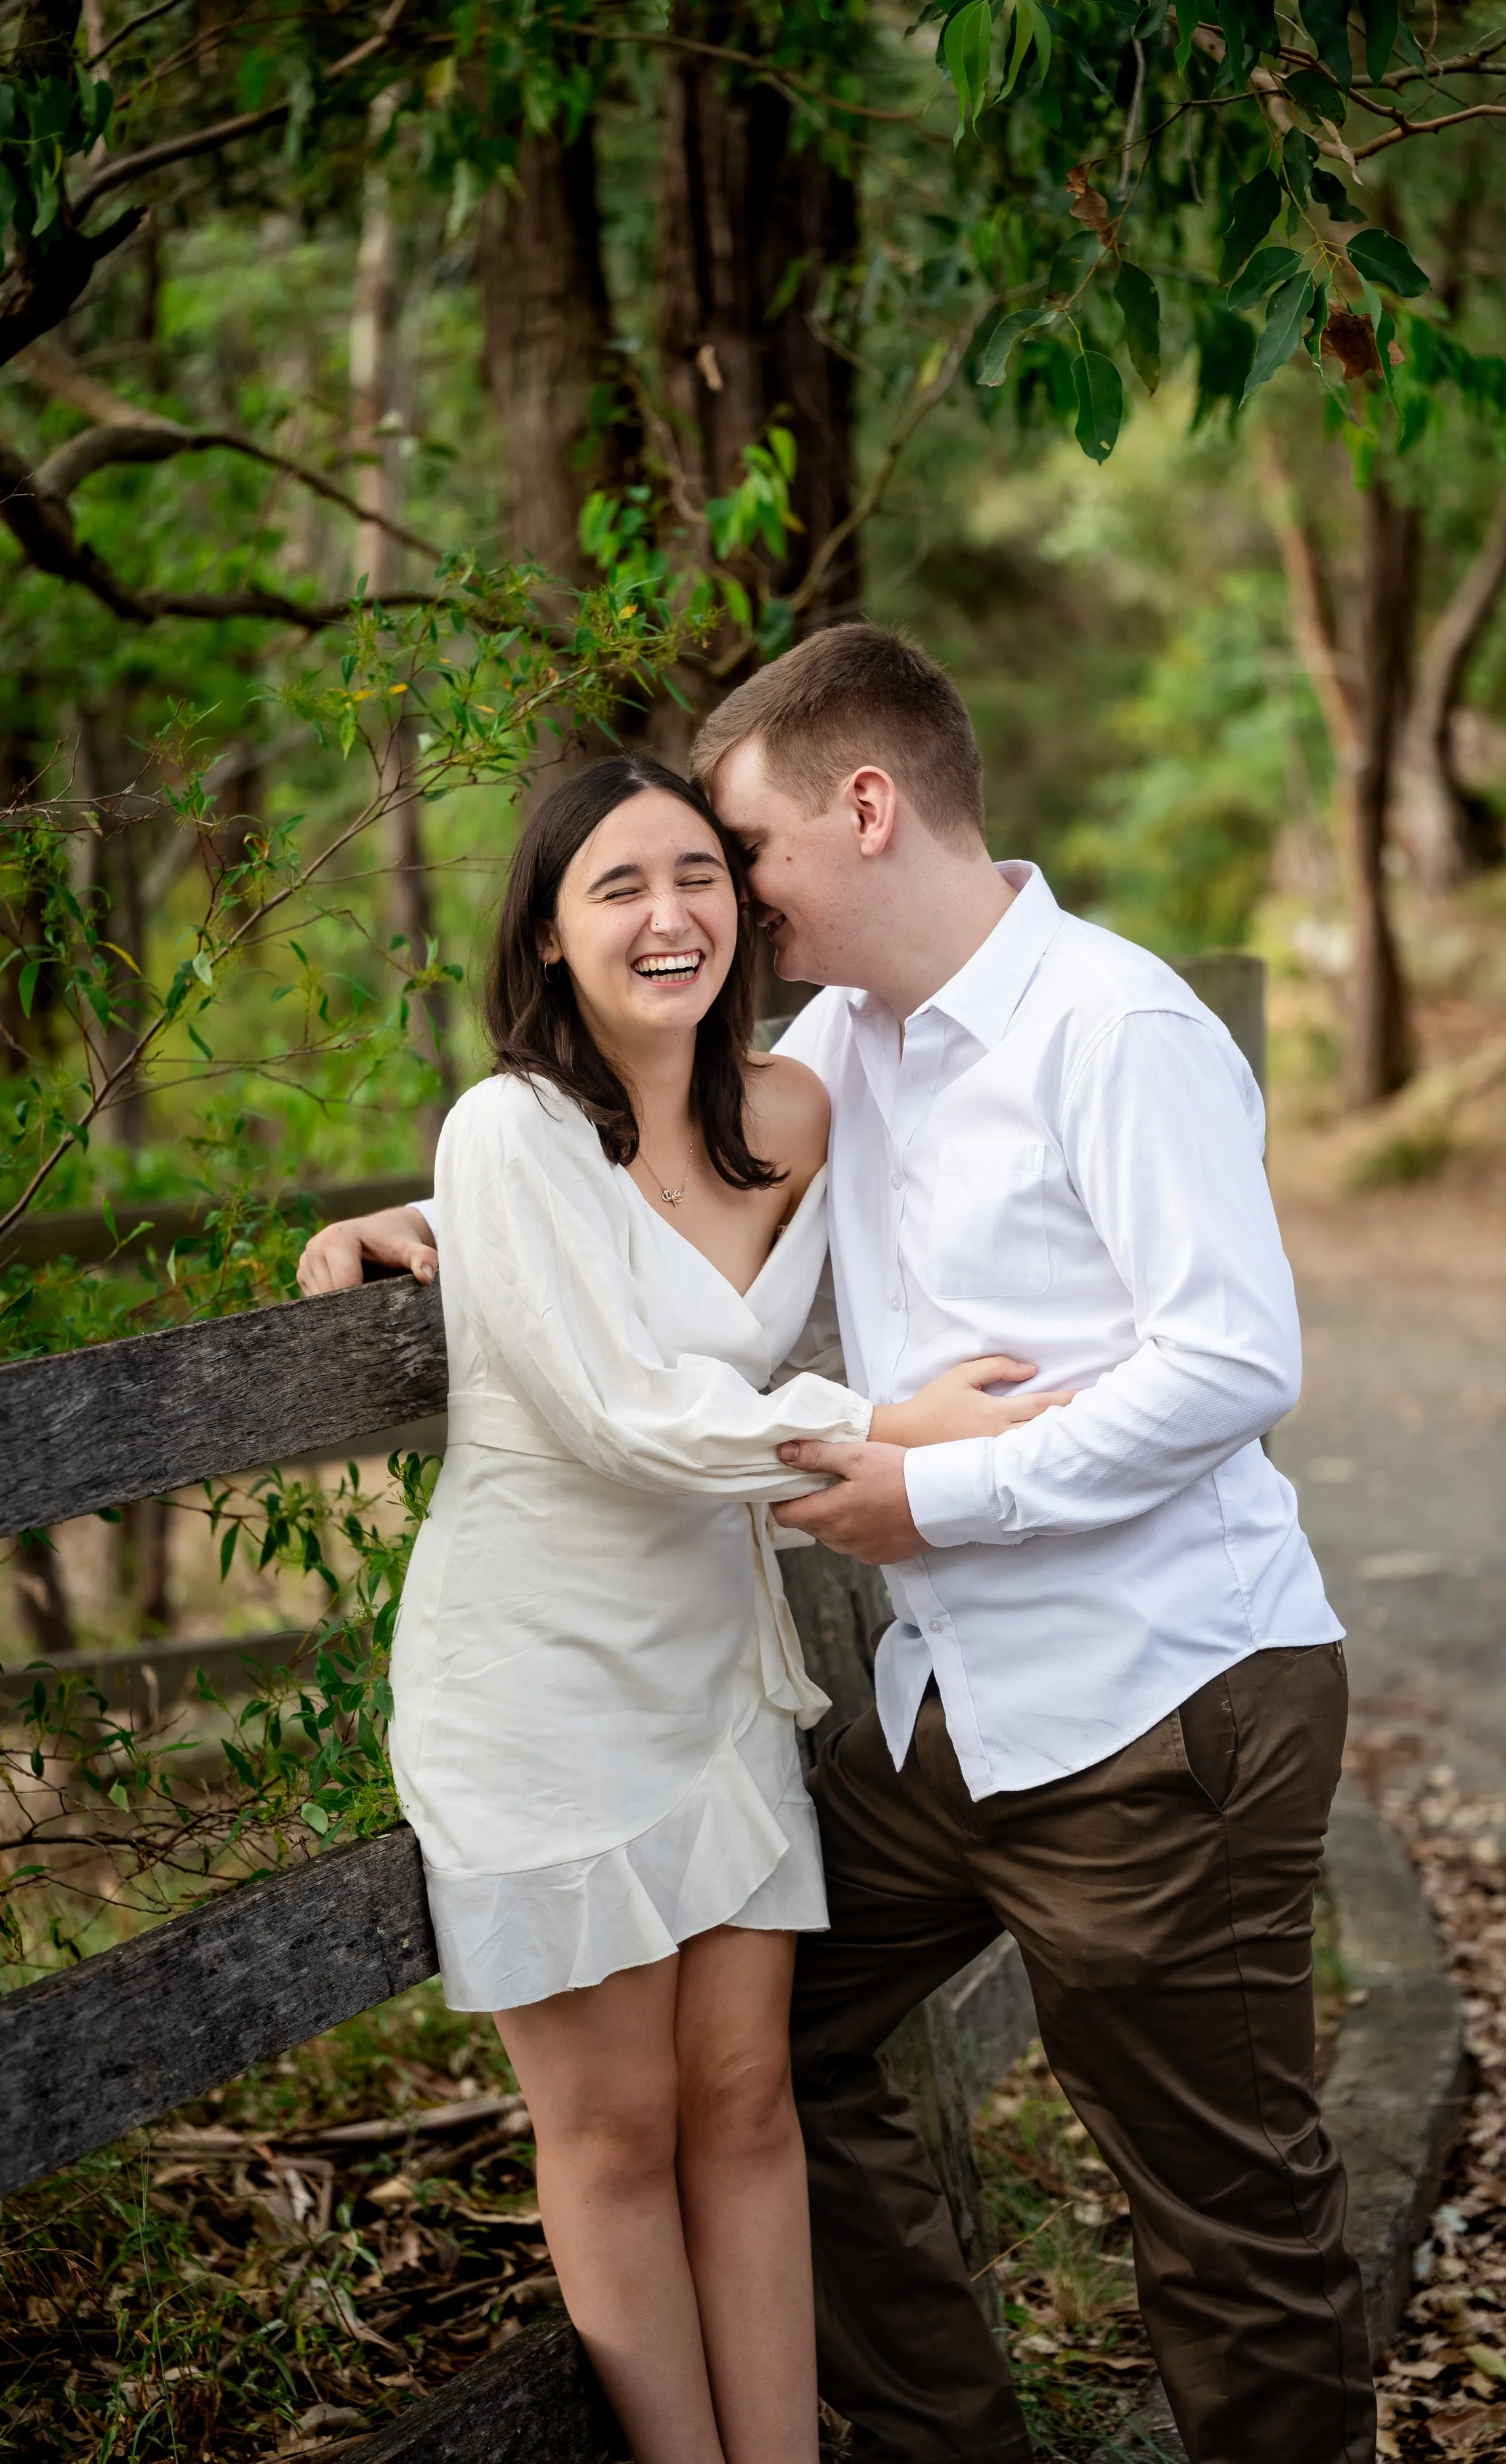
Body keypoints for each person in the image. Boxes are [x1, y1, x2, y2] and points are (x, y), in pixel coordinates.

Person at [302, 629, 1375, 2464]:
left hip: (1154, 1708)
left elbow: (1229, 1361)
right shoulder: (847, 1045)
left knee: (1220, 2213)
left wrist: (928, 1488)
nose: (725, 904)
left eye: (739, 854)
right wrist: (434, 1213)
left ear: (861, 808)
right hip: (948, 1713)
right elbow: (638, 1157)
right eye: (658, 872)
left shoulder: (1106, 1027)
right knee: (784, 2054)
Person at [338, 751, 1070, 2464]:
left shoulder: (791, 1110)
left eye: (697, 873)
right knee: (613, 2129)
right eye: (618, 884)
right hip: (544, 1689)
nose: (669, 913)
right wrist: (897, 1428)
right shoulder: (505, 1126)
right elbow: (626, 1410)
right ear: (544, 926)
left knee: (745, 2104)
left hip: (719, 1689)